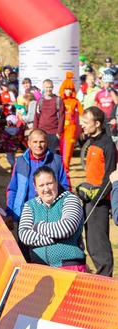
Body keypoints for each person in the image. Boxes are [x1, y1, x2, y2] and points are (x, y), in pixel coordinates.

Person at [19, 166, 86, 271]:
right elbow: (24, 235)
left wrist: (37, 227)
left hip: (70, 266)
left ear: (56, 182)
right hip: (39, 268)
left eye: (49, 183)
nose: (46, 189)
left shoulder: (70, 199)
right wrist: (57, 237)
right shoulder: (30, 206)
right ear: (35, 187)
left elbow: (66, 228)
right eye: (41, 185)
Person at [5, 129, 70, 229]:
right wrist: (10, 213)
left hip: (51, 217)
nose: (38, 145)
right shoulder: (20, 162)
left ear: (47, 143)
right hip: (24, 215)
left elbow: (66, 188)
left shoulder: (57, 161)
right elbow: (13, 189)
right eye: (35, 142)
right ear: (29, 143)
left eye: (42, 142)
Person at [77, 106, 115, 276]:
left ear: (97, 124)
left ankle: (106, 281)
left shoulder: (108, 145)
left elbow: (110, 177)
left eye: (86, 122)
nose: (82, 125)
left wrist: (96, 200)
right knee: (91, 244)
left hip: (99, 203)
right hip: (90, 200)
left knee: (99, 244)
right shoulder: (92, 142)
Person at [33, 79, 65, 155]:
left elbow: (62, 117)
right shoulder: (40, 101)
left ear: (53, 87)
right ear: (43, 88)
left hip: (54, 132)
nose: (48, 89)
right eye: (46, 87)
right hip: (41, 131)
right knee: (41, 153)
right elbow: (36, 116)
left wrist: (58, 133)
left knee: (52, 154)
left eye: (50, 87)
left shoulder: (58, 100)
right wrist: (34, 131)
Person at [59, 73, 82, 168]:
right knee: (61, 149)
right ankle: (61, 168)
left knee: (68, 150)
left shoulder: (75, 101)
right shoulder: (59, 100)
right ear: (63, 89)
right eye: (66, 89)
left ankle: (66, 168)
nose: (68, 91)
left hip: (71, 129)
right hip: (60, 129)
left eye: (70, 89)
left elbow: (82, 113)